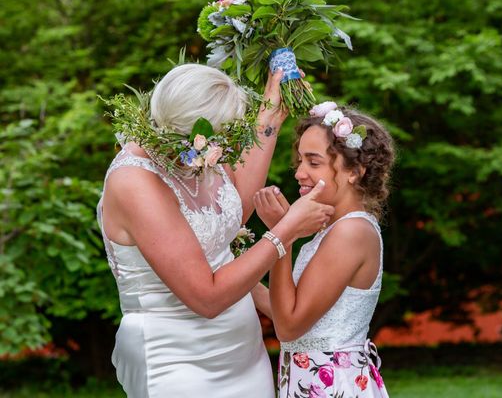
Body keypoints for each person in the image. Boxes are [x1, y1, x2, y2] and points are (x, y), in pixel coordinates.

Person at [97, 64, 334, 398]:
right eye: (225, 135)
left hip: (242, 351)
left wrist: (271, 111)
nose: (230, 144)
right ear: (194, 130)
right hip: (176, 359)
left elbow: (234, 208)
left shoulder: (198, 150)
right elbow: (206, 298)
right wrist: (286, 230)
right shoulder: (135, 182)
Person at [253, 103, 395, 398]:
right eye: (300, 161)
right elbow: (289, 311)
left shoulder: (350, 232)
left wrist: (283, 236)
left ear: (354, 171)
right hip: (314, 382)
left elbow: (288, 327)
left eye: (313, 162)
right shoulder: (331, 229)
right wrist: (233, 272)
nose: (299, 173)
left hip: (333, 387)